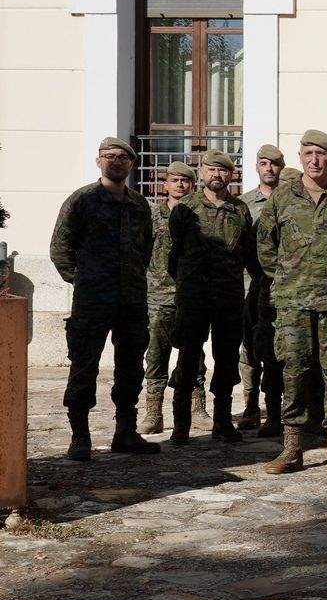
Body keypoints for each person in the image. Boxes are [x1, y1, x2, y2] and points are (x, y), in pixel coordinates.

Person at [257, 130, 327, 476]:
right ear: (300, 156)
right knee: (294, 370)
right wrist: (289, 278)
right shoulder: (282, 198)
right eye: (308, 153)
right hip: (293, 302)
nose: (315, 160)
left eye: (322, 154)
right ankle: (292, 448)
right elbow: (265, 247)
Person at [50, 137, 161, 460]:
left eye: (123, 158)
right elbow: (60, 249)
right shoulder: (82, 200)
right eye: (109, 156)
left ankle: (125, 431)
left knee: (130, 367)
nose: (116, 162)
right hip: (92, 301)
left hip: (131, 300)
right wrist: (83, 280)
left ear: (130, 165)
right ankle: (79, 436)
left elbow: (146, 249)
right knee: (84, 365)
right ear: (98, 161)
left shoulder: (139, 206)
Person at [168, 149, 254, 446]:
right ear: (202, 172)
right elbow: (172, 255)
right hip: (193, 299)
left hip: (229, 299)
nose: (217, 175)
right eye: (211, 170)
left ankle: (222, 422)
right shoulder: (185, 208)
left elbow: (248, 254)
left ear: (231, 175)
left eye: (223, 171)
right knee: (188, 360)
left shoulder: (240, 210)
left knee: (227, 360)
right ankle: (181, 425)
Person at [142, 161, 197, 436]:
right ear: (165, 185)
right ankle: (154, 410)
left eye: (185, 181)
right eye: (174, 180)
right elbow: (141, 253)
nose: (180, 185)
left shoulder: (198, 215)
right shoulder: (152, 216)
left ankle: (195, 408)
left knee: (192, 356)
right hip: (159, 295)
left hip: (190, 296)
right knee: (156, 354)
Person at [238, 145, 285, 438]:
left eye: (275, 164)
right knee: (249, 350)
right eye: (264, 163)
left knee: (276, 350)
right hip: (249, 287)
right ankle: (250, 405)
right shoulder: (244, 204)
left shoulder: (290, 200)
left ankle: (274, 411)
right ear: (257, 166)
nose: (269, 169)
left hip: (282, 288)